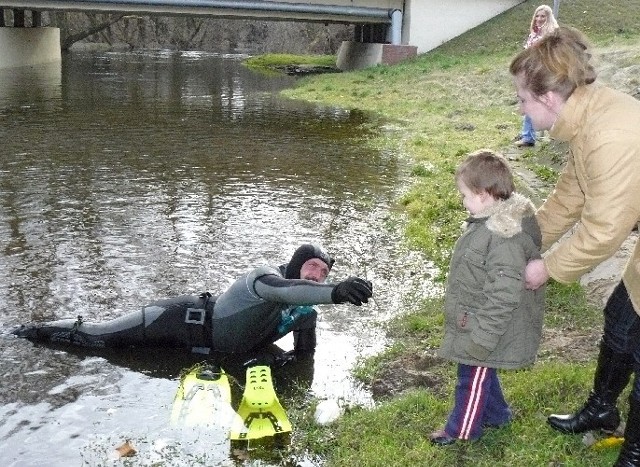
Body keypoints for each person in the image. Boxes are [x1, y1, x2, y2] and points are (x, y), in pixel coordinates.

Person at [511, 26, 640, 466]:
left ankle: (636, 452)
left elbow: (604, 230)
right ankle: (603, 408)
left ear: (547, 98)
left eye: (522, 99)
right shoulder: (585, 120)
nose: (520, 107)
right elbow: (570, 196)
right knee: (622, 316)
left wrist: (543, 269)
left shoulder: (608, 134)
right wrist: (527, 243)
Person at [12, 243, 373, 358]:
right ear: (297, 265)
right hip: (180, 318)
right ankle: (22, 332)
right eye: (312, 268)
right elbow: (287, 290)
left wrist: (291, 369)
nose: (316, 276)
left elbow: (304, 355)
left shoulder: (304, 313)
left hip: (207, 349)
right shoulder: (264, 279)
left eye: (324, 275)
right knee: (97, 339)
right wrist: (336, 291)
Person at [429, 149, 545, 445]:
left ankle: (461, 431)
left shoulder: (503, 237)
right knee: (481, 373)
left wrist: (482, 337)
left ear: (482, 194)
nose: (463, 201)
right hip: (476, 319)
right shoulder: (486, 223)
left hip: (487, 327)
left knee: (471, 379)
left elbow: (503, 296)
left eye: (465, 195)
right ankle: (497, 415)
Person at [513, 4, 558, 148]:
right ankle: (528, 136)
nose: (539, 19)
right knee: (530, 102)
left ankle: (555, 133)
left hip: (544, 73)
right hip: (531, 72)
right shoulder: (534, 34)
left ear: (548, 17)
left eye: (543, 16)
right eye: (537, 16)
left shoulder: (550, 34)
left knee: (550, 102)